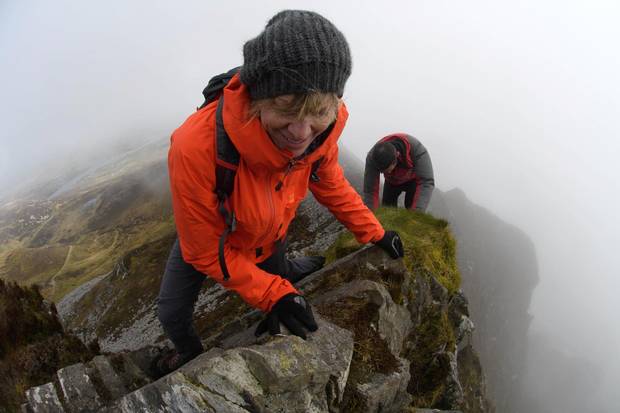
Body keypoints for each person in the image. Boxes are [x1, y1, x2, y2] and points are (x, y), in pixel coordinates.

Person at [153, 10, 405, 377]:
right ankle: (188, 355)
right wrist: (273, 294)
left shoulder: (325, 129)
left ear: (334, 102)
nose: (301, 132)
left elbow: (330, 181)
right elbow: (203, 248)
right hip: (214, 238)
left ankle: (293, 269)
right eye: (286, 107)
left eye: (317, 110)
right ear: (258, 96)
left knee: (281, 270)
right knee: (170, 311)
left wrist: (376, 232)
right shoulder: (196, 146)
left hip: (271, 234)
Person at [363, 133, 435, 212]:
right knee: (388, 211)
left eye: (388, 170)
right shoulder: (373, 158)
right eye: (383, 172)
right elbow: (370, 190)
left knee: (411, 208)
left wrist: (416, 213)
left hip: (413, 181)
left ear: (396, 157)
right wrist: (371, 215)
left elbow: (426, 182)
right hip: (391, 182)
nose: (388, 172)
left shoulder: (417, 151)